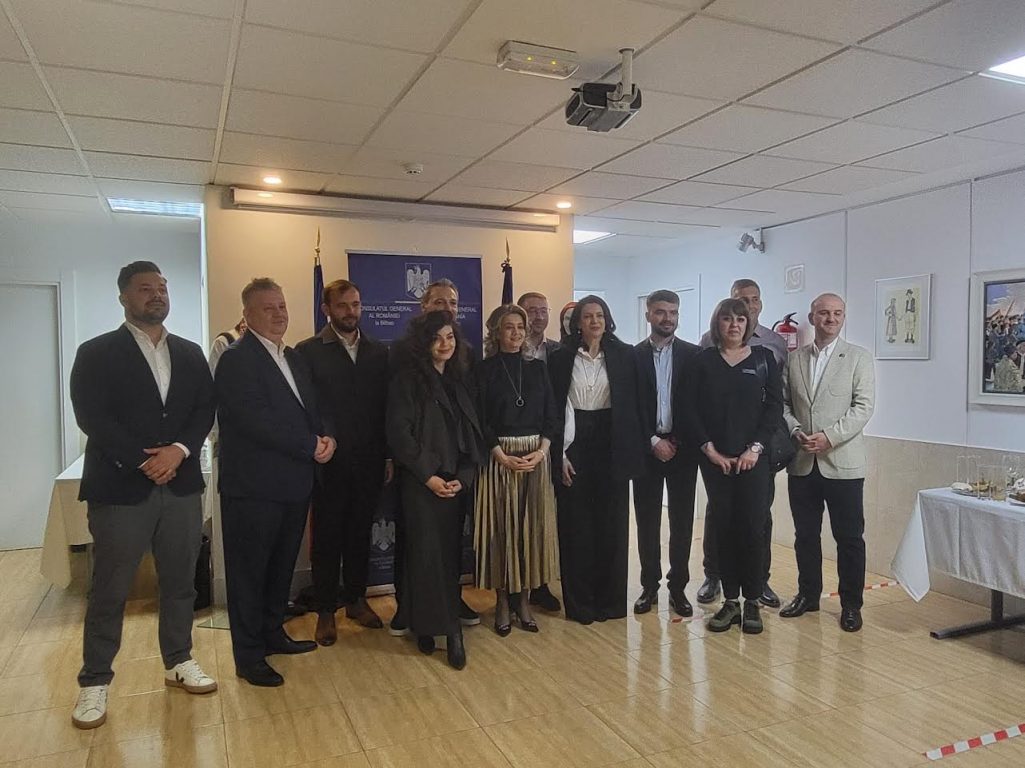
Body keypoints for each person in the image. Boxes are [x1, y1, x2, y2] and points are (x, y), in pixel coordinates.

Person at [69, 261, 217, 730]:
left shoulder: (189, 352)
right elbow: (92, 416)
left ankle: (179, 659)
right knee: (110, 589)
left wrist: (179, 450)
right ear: (124, 297)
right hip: (121, 488)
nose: (156, 295)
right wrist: (143, 460)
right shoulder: (97, 352)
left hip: (180, 484)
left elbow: (204, 408)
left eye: (162, 288)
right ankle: (95, 680)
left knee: (180, 582)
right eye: (145, 288)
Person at [216, 278, 336, 687]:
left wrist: (327, 437)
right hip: (253, 489)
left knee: (279, 569)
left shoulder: (294, 357)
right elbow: (255, 420)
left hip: (294, 484)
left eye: (282, 306)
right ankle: (249, 656)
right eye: (268, 308)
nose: (278, 314)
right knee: (249, 575)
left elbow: (313, 408)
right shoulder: (236, 359)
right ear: (247, 315)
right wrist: (309, 444)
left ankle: (272, 634)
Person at [387, 311, 484, 669]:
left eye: (450, 337)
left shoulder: (460, 380)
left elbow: (472, 434)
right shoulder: (407, 381)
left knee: (448, 559)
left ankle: (428, 625)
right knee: (424, 557)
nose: (445, 344)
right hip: (422, 483)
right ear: (423, 342)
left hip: (455, 483)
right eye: (437, 337)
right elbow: (400, 434)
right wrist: (429, 476)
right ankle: (449, 632)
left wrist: (465, 476)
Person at [296, 279, 391, 645]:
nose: (351, 312)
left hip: (369, 460)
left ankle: (356, 600)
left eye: (355, 304)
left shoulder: (378, 351)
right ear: (327, 309)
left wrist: (387, 455)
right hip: (329, 460)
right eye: (342, 306)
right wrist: (322, 440)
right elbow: (307, 406)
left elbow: (384, 408)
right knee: (327, 536)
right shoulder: (308, 351)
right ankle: (325, 609)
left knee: (359, 533)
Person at [779, 293, 875, 633]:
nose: (830, 319)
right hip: (802, 462)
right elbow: (784, 404)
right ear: (812, 317)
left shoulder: (859, 358)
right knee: (805, 535)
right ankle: (808, 595)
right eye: (823, 313)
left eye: (837, 313)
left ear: (844, 317)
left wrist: (829, 437)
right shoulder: (794, 359)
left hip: (843, 464)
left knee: (849, 538)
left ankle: (851, 605)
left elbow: (863, 407)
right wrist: (795, 431)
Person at [685, 298, 781, 634]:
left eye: (740, 319)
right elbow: (689, 409)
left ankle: (752, 600)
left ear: (748, 324)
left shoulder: (764, 359)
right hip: (717, 462)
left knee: (752, 528)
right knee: (723, 528)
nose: (734, 325)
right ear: (718, 323)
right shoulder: (702, 362)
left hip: (754, 460)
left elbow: (774, 409)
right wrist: (709, 450)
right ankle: (730, 601)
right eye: (727, 319)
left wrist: (755, 449)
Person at [548, 296, 645, 624]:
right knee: (575, 526)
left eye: (599, 316)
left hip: (611, 442)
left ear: (607, 320)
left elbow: (634, 406)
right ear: (577, 322)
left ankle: (610, 602)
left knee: (611, 525)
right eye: (587, 316)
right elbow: (553, 409)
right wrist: (559, 454)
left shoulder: (624, 355)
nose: (594, 321)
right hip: (573, 442)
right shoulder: (560, 358)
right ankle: (580, 605)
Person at [475, 304, 560, 635]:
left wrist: (542, 452)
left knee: (530, 530)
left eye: (520, 327)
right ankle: (501, 602)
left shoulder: (538, 369)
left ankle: (523, 601)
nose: (516, 333)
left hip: (535, 458)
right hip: (500, 458)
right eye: (509, 327)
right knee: (502, 531)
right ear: (496, 332)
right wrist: (500, 455)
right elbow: (480, 419)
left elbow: (551, 415)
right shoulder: (483, 370)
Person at [632, 290, 701, 617]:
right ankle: (649, 586)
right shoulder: (633, 357)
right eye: (660, 312)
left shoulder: (694, 355)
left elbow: (698, 405)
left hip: (683, 450)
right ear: (648, 315)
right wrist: (652, 441)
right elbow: (630, 407)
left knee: (682, 522)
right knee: (647, 521)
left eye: (673, 312)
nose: (667, 318)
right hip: (646, 450)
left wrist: (676, 440)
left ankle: (678, 588)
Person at [516, 291, 563, 613]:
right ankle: (516, 585)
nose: (538, 316)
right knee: (518, 517)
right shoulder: (506, 351)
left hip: (552, 441)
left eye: (543, 310)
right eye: (531, 311)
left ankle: (541, 583)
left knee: (545, 518)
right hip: (516, 444)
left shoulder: (559, 352)